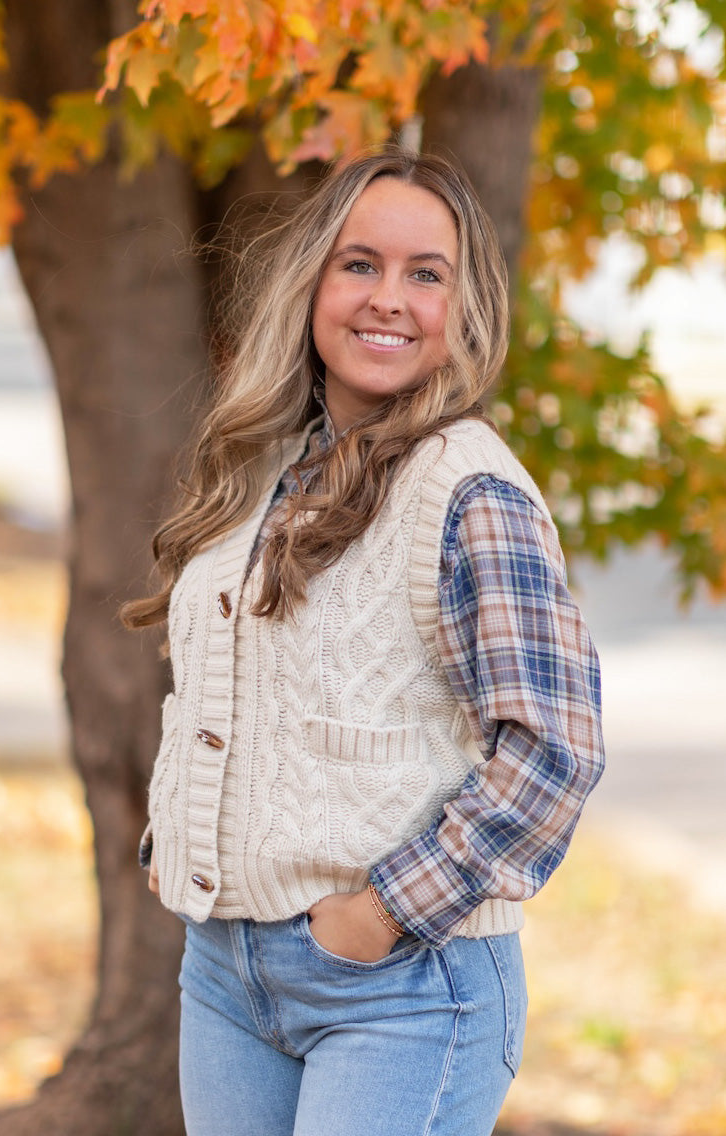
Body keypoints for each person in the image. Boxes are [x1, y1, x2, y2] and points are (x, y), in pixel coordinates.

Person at [123, 148, 605, 1136]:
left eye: (425, 273)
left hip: (402, 987)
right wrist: (172, 840)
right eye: (360, 263)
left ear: (460, 306)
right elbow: (227, 690)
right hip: (226, 975)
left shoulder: (470, 491)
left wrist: (379, 915)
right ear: (314, 282)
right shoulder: (270, 470)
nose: (389, 298)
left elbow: (553, 750)